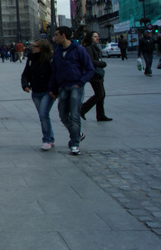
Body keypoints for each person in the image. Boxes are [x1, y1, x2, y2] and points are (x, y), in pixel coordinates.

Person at [49, 26, 95, 155]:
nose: (54, 37)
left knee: (74, 115)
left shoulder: (79, 50)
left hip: (76, 86)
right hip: (63, 86)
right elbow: (54, 71)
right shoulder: (57, 52)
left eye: (56, 35)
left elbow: (90, 69)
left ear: (63, 35)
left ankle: (74, 143)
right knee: (63, 115)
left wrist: (80, 83)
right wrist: (52, 88)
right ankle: (77, 133)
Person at [21, 39, 56, 150]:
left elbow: (54, 75)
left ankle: (46, 140)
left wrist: (54, 89)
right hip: (35, 91)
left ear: (41, 47)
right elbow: (25, 73)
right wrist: (25, 84)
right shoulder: (31, 58)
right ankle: (50, 138)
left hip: (47, 91)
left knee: (43, 114)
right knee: (43, 116)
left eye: (35, 46)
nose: (32, 48)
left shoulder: (49, 59)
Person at [81, 31, 112, 122]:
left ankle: (100, 115)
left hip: (98, 73)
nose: (97, 38)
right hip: (94, 74)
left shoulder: (95, 47)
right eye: (95, 36)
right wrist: (102, 63)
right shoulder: (88, 48)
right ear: (90, 38)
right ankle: (82, 109)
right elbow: (91, 61)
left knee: (102, 95)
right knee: (100, 94)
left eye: (97, 36)